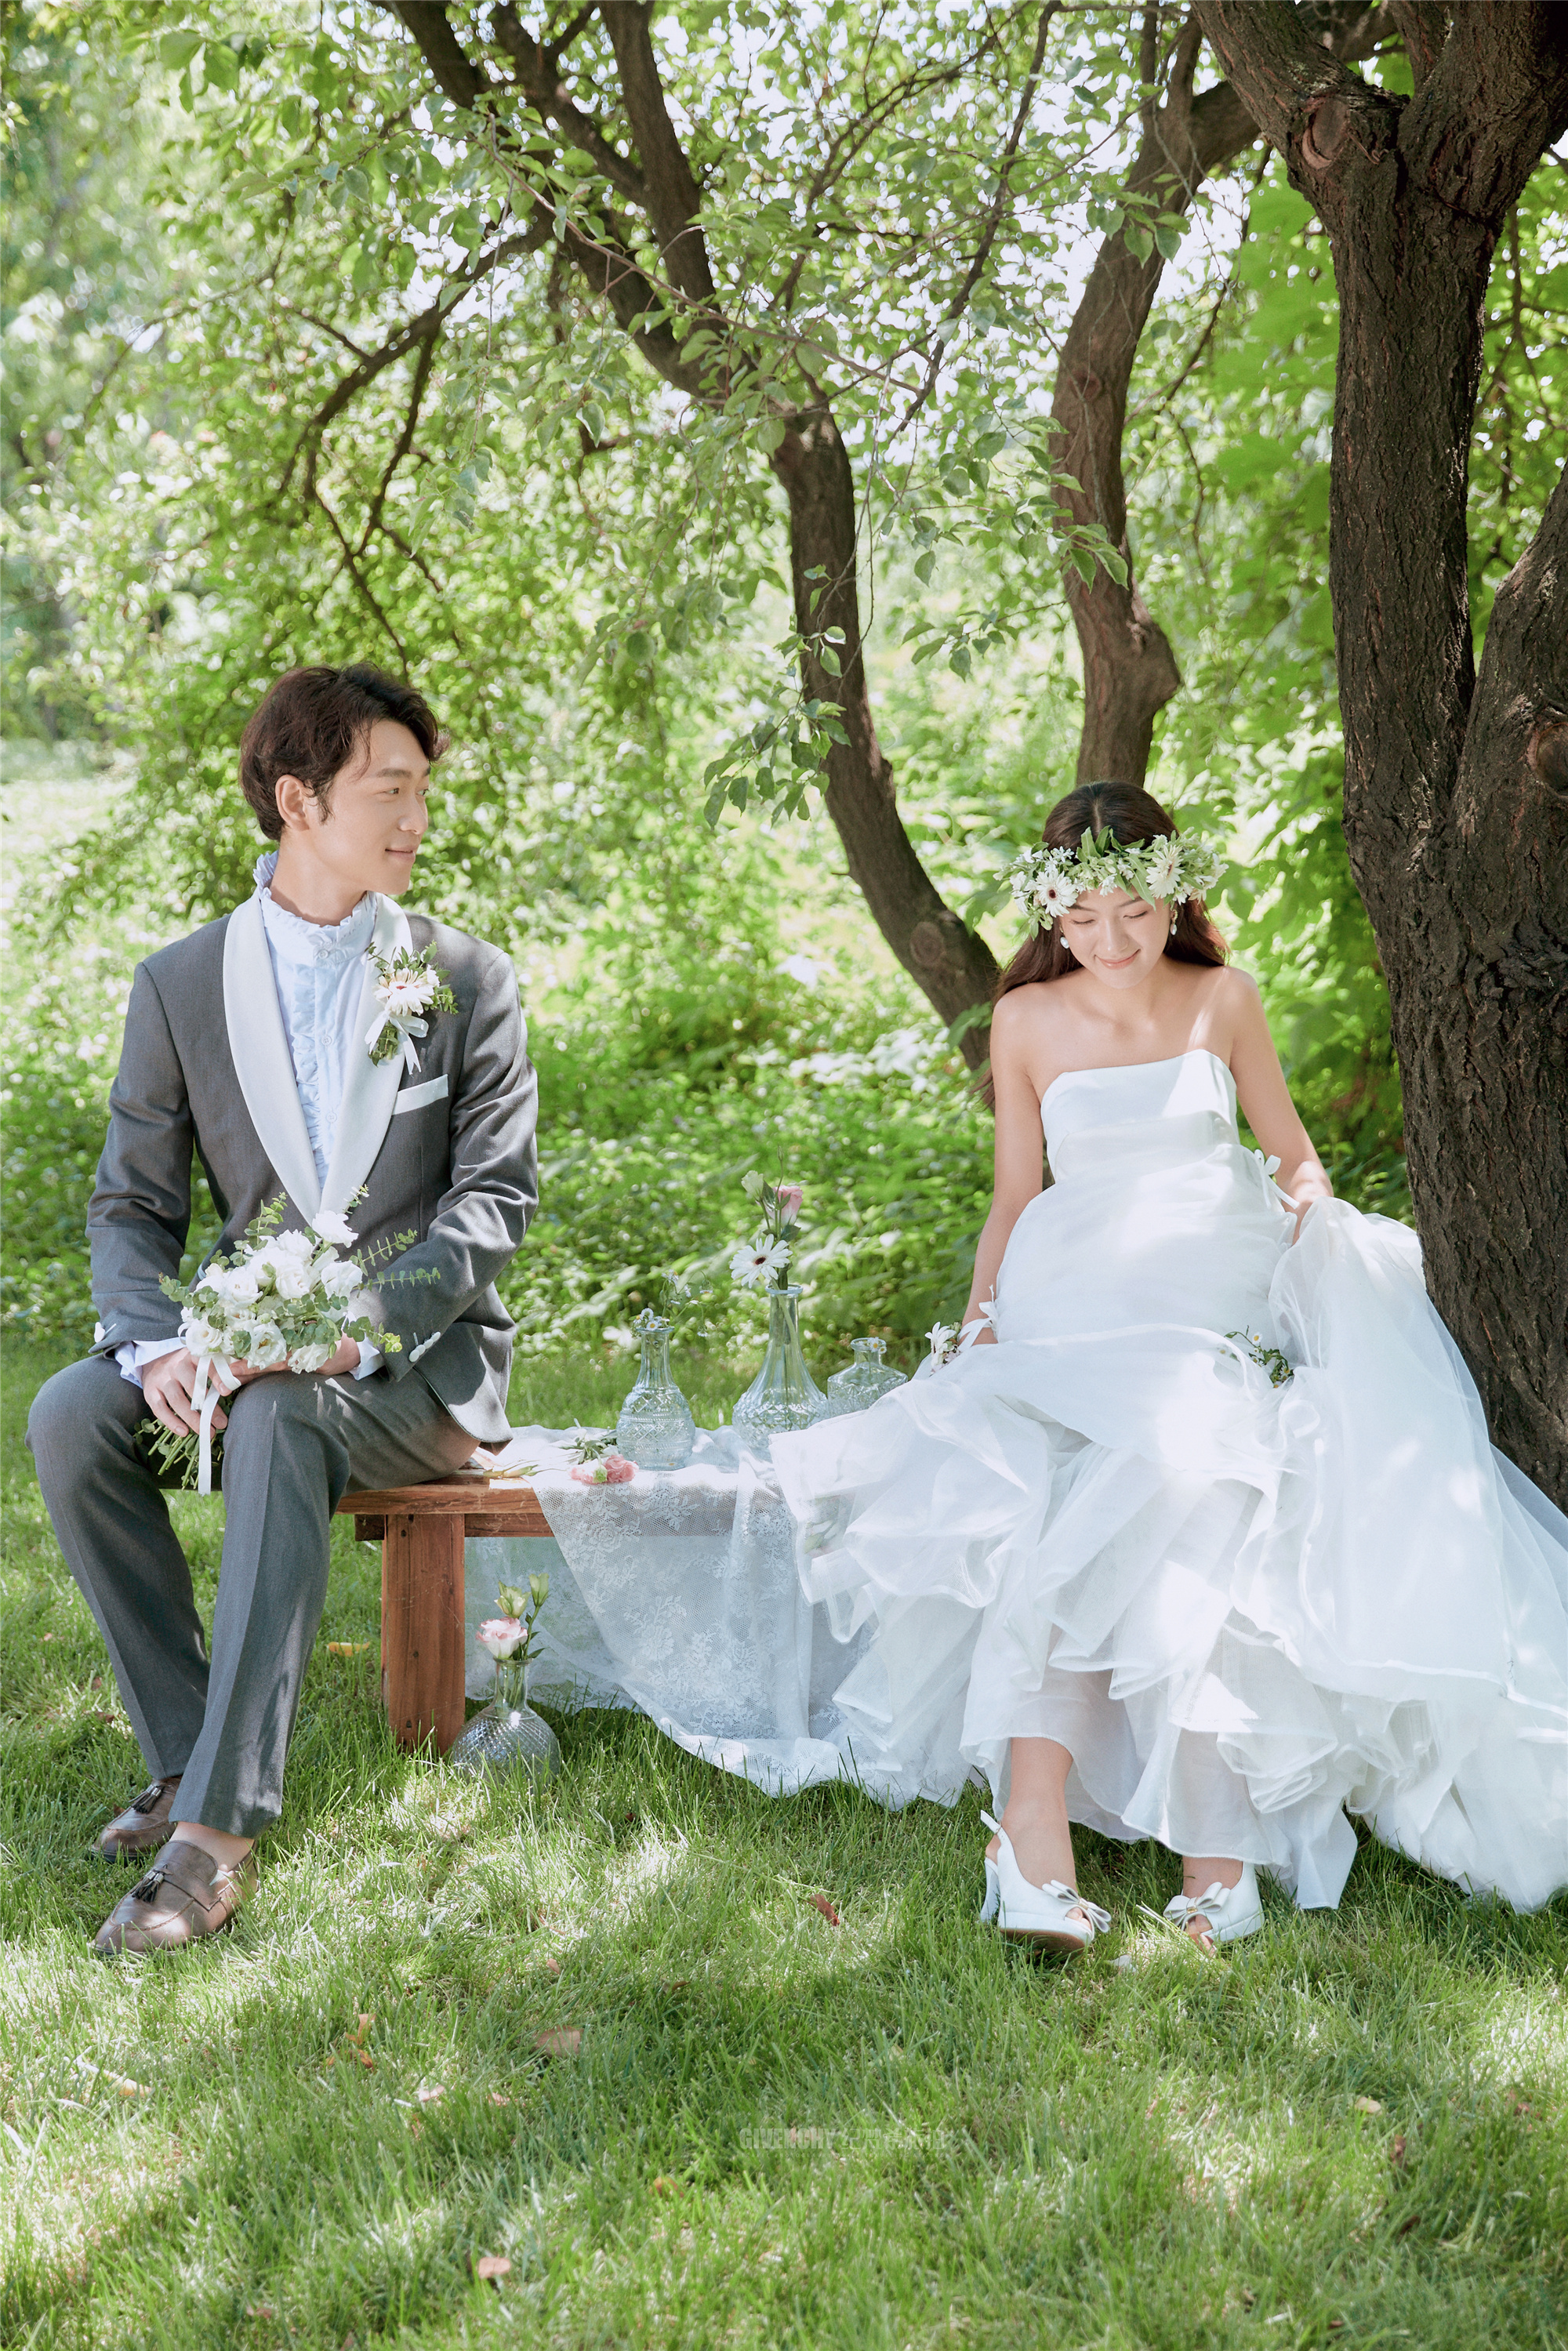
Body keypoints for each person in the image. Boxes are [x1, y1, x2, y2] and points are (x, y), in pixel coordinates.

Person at [771, 781, 1568, 1953]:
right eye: (1082, 917)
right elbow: (1014, 1194)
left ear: (1175, 895)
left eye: (1135, 911)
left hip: (1214, 1287)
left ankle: (1215, 1850)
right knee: (1057, 1498)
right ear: (1052, 913)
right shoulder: (1025, 1019)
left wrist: (1321, 1231)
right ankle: (1032, 1832)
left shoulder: (1223, 999)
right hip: (1077, 1290)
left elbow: (1291, 1156)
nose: (1111, 940)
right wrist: (981, 1322)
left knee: (1205, 1491)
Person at [27, 664, 538, 1955]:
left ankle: (216, 1838)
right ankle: (187, 1753)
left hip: (413, 1374)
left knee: (282, 1419)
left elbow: (493, 1204)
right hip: (241, 1350)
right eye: (390, 790)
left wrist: (358, 1330)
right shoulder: (181, 983)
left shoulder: (465, 977)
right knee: (72, 1416)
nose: (418, 817)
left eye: (422, 791)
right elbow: (130, 1205)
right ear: (299, 800)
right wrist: (153, 1347)